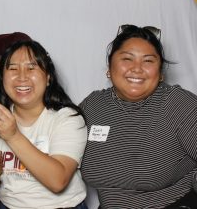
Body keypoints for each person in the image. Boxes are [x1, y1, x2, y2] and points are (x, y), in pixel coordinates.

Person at [80, 25, 197, 208]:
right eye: (127, 59)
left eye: (148, 61)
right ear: (109, 68)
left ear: (160, 73)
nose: (137, 69)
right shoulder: (93, 105)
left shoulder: (177, 103)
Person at [0, 40, 88, 208]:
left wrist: (12, 135)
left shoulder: (67, 118)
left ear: (48, 78)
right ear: (2, 79)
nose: (22, 76)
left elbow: (58, 181)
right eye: (12, 68)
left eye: (31, 68)